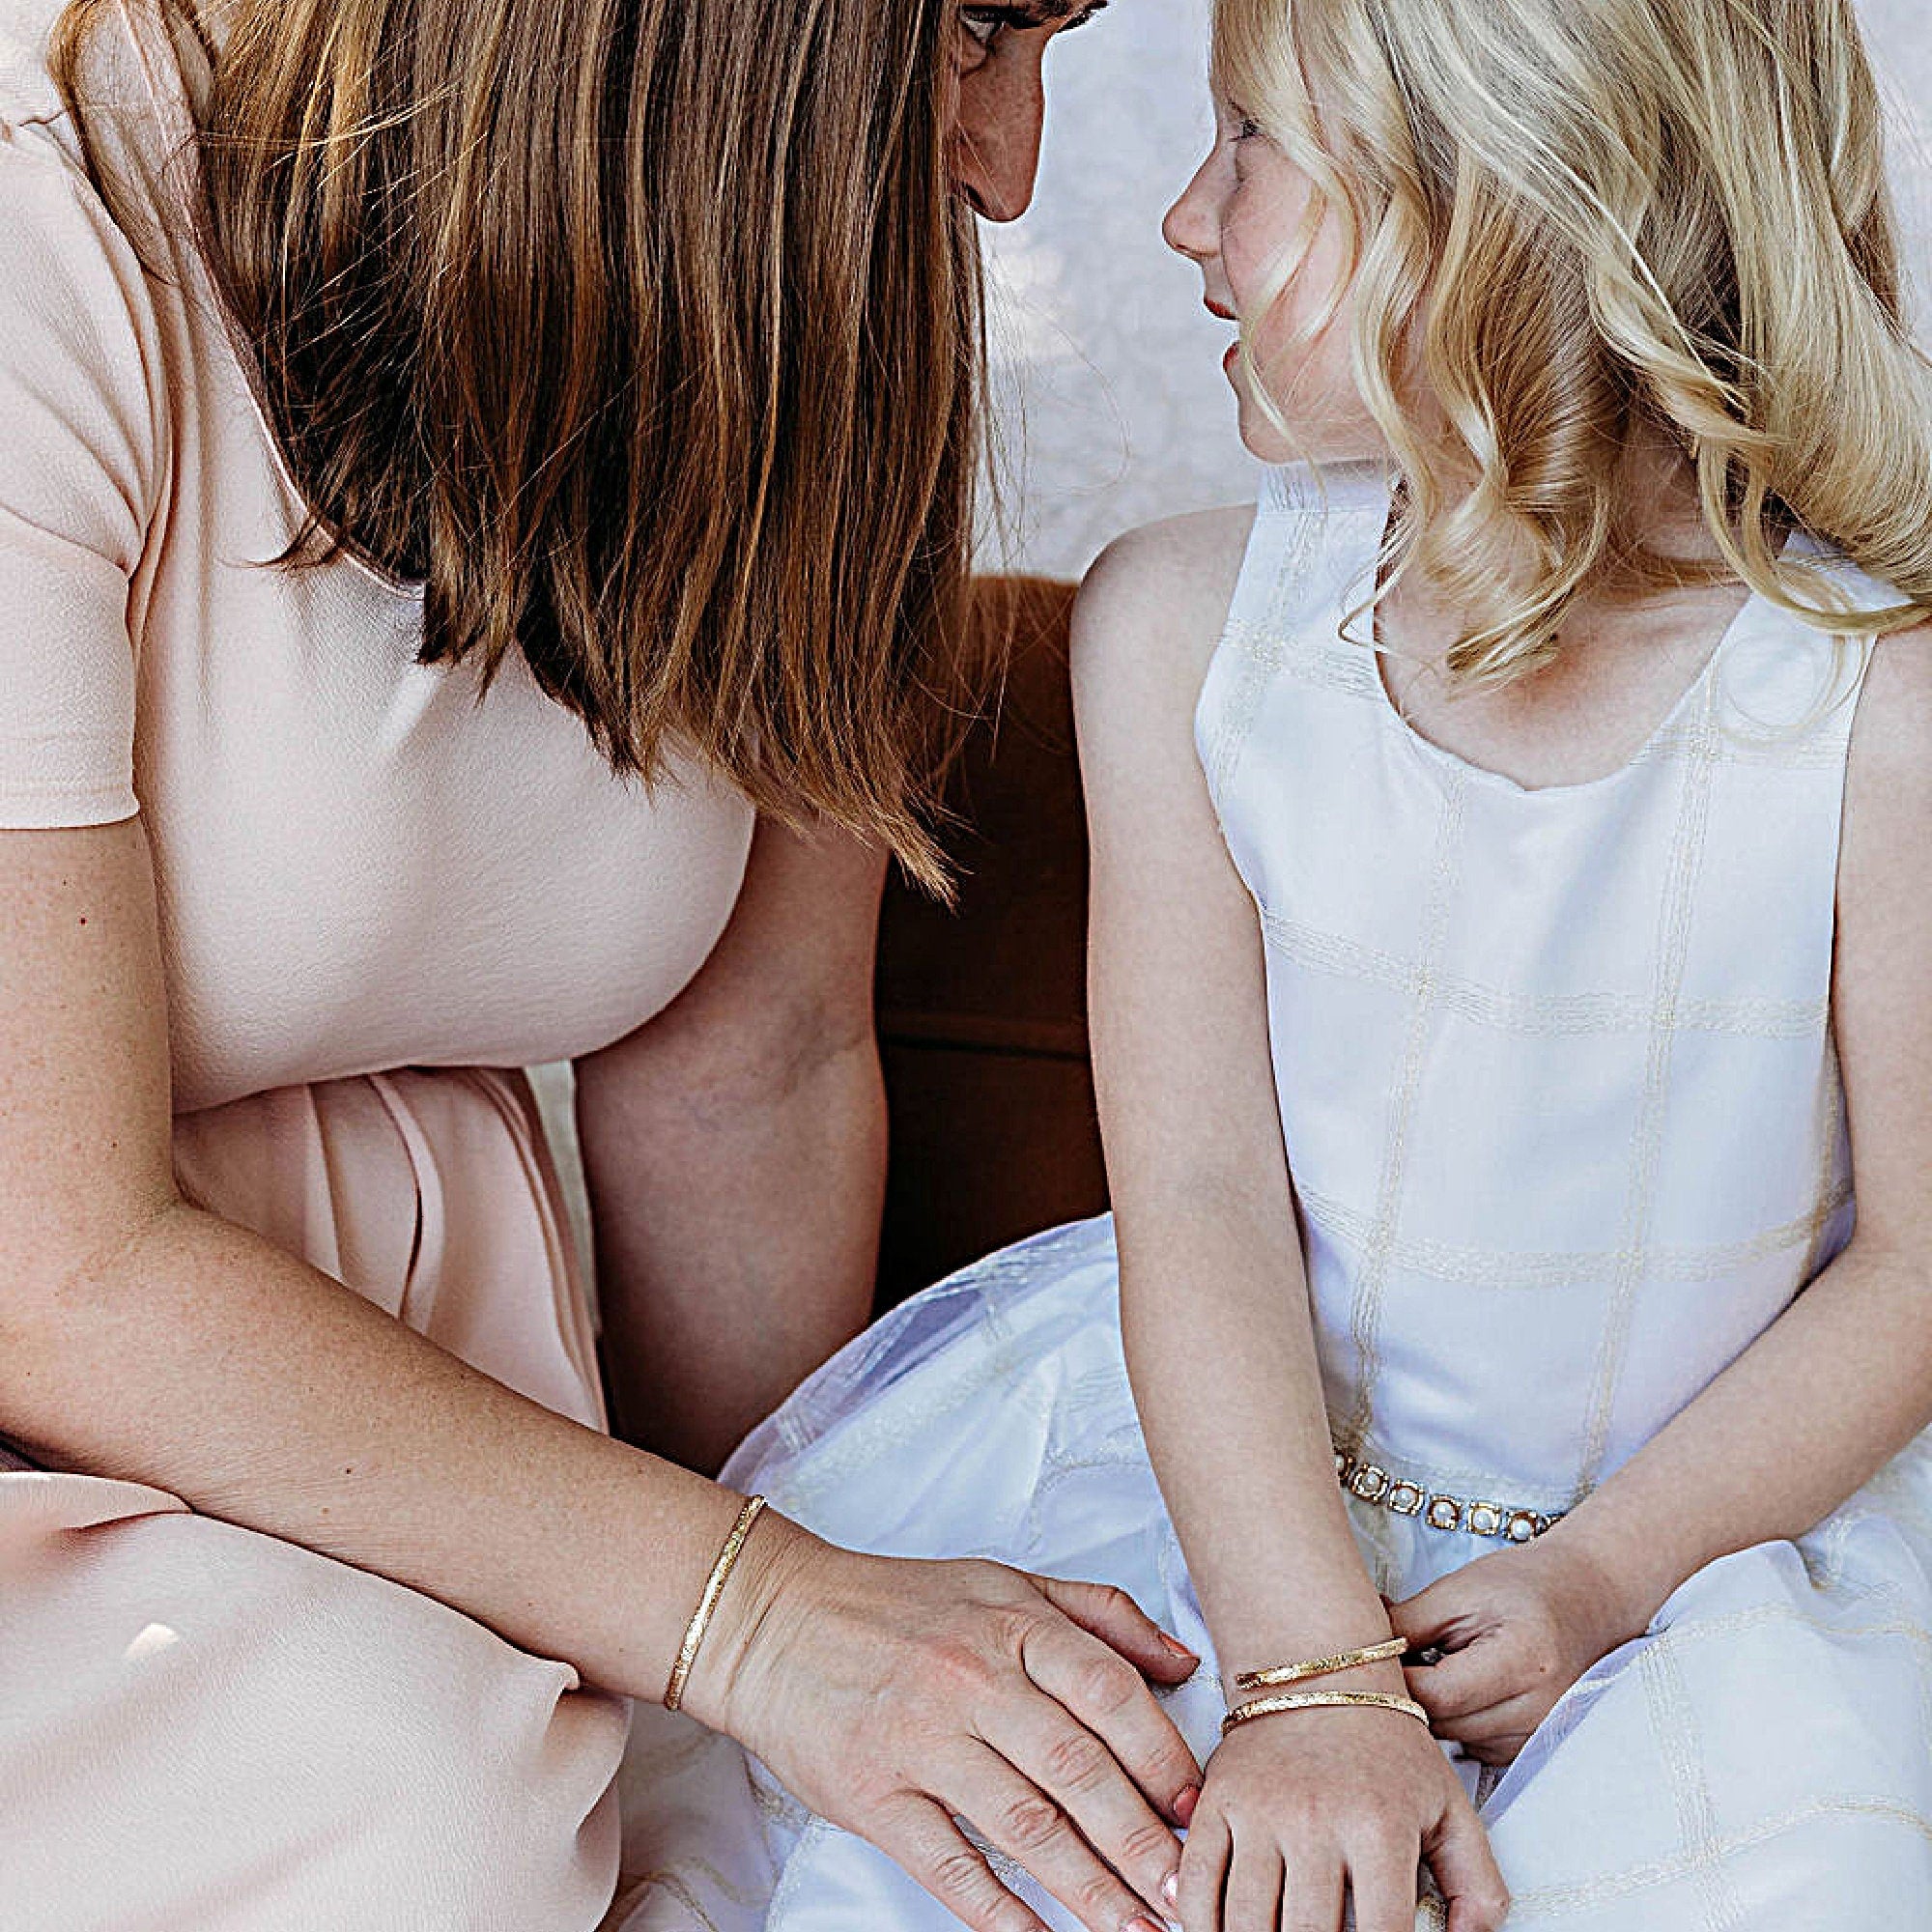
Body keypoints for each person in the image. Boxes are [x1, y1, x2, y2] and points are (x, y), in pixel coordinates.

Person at [639, 0, 1932, 1924]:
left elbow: (1920, 1254)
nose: (1178, 215)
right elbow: (1196, 1191)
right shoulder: (1177, 635)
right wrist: (1306, 1671)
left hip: (1707, 1555)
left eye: (1248, 144)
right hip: (1233, 1529)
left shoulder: (1872, 700)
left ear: (1503, 206)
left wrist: (1599, 1579)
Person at [0, 0, 1215, 1926]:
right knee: (424, 1825)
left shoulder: (792, 309)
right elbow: (51, 1273)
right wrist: (750, 1614)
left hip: (471, 1492)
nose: (1012, 167)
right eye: (982, 30)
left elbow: (762, 1070)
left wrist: (835, 1639)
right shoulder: (42, 241)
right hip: (59, 1419)